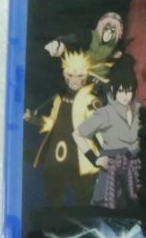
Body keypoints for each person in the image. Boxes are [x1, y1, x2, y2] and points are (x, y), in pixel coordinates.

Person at [24, 50, 99, 207]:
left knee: (84, 200)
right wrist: (33, 120)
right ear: (66, 76)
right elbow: (52, 123)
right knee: (52, 197)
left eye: (79, 75)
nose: (75, 80)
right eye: (71, 75)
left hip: (79, 157)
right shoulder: (59, 99)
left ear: (85, 77)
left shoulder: (90, 100)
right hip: (56, 157)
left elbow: (99, 128)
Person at [73, 55, 141, 209]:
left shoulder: (137, 111)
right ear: (113, 90)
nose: (125, 96)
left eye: (129, 91)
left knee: (131, 210)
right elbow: (77, 134)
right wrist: (94, 159)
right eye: (121, 91)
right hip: (111, 167)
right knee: (102, 208)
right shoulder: (105, 114)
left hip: (132, 170)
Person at [44, 11, 125, 84]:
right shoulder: (89, 36)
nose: (108, 32)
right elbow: (72, 38)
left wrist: (116, 54)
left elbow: (112, 55)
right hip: (82, 74)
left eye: (113, 30)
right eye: (106, 28)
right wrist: (58, 42)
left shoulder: (114, 43)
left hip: (102, 76)